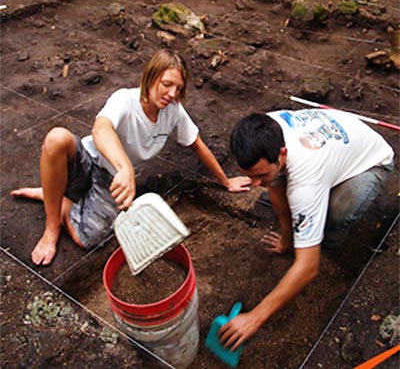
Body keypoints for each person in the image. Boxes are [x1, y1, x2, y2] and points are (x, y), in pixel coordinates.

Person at [11, 49, 251, 266]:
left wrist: (225, 181)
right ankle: (52, 226)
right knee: (56, 138)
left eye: (178, 89)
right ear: (150, 77)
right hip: (88, 160)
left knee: (88, 238)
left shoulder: (173, 112)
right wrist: (125, 167)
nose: (171, 94)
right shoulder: (124, 100)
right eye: (166, 84)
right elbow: (101, 128)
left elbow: (196, 143)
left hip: (110, 180)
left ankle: (55, 196)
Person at [220, 108, 394, 350]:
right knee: (285, 190)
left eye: (260, 175)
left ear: (282, 154)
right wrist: (287, 237)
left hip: (370, 161)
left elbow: (309, 267)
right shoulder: (267, 129)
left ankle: (329, 241)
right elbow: (275, 184)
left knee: (335, 214)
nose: (255, 183)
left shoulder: (306, 183)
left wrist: (255, 317)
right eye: (249, 176)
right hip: (333, 148)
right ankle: (309, 219)